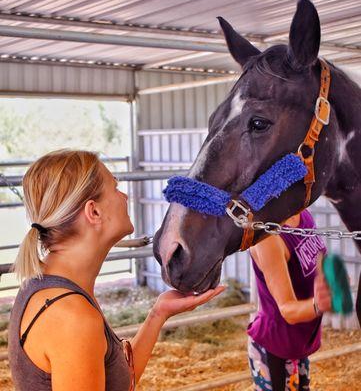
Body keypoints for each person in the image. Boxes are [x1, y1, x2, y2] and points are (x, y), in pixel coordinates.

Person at [8, 149, 225, 391]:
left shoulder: (49, 287)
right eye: (115, 188)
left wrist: (158, 314)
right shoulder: (72, 316)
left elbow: (121, 382)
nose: (124, 196)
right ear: (94, 212)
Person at [247, 209, 332, 391]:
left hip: (298, 342)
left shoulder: (302, 214)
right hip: (276, 346)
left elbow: (315, 262)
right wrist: (319, 304)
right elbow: (288, 311)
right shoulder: (268, 237)